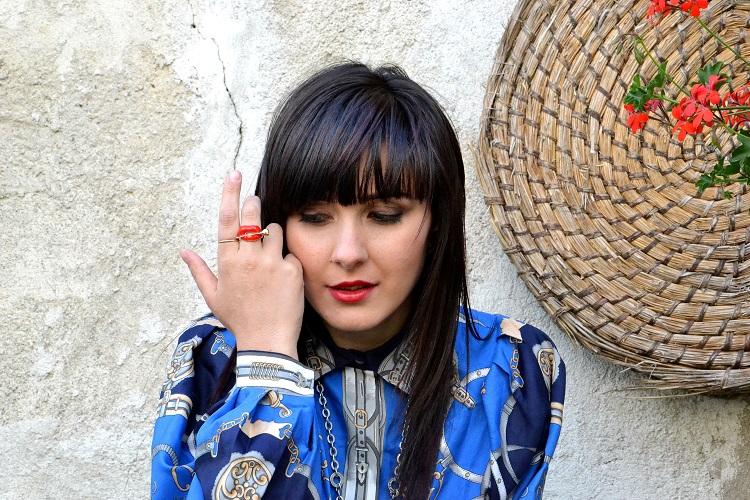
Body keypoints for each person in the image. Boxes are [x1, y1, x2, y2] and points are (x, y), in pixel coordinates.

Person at [151, 62, 565, 500]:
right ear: (279, 226)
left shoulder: (512, 371)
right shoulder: (211, 359)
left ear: (438, 223)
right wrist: (267, 362)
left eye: (384, 216)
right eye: (315, 218)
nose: (348, 253)